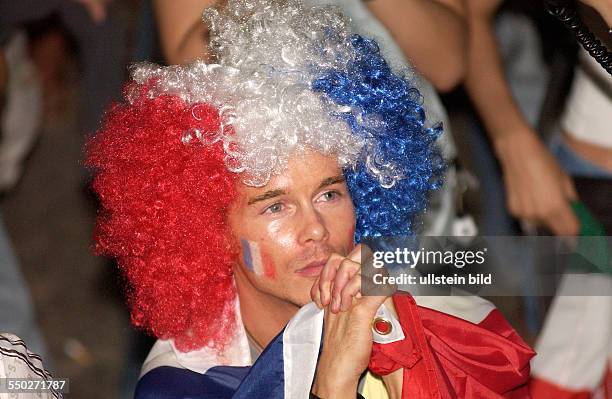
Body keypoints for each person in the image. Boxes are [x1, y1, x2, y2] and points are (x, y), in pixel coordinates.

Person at [87, 0, 534, 397]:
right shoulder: (185, 382)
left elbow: (450, 57)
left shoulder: (449, 333)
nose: (317, 229)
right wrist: (333, 386)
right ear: (207, 228)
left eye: (330, 193)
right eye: (275, 205)